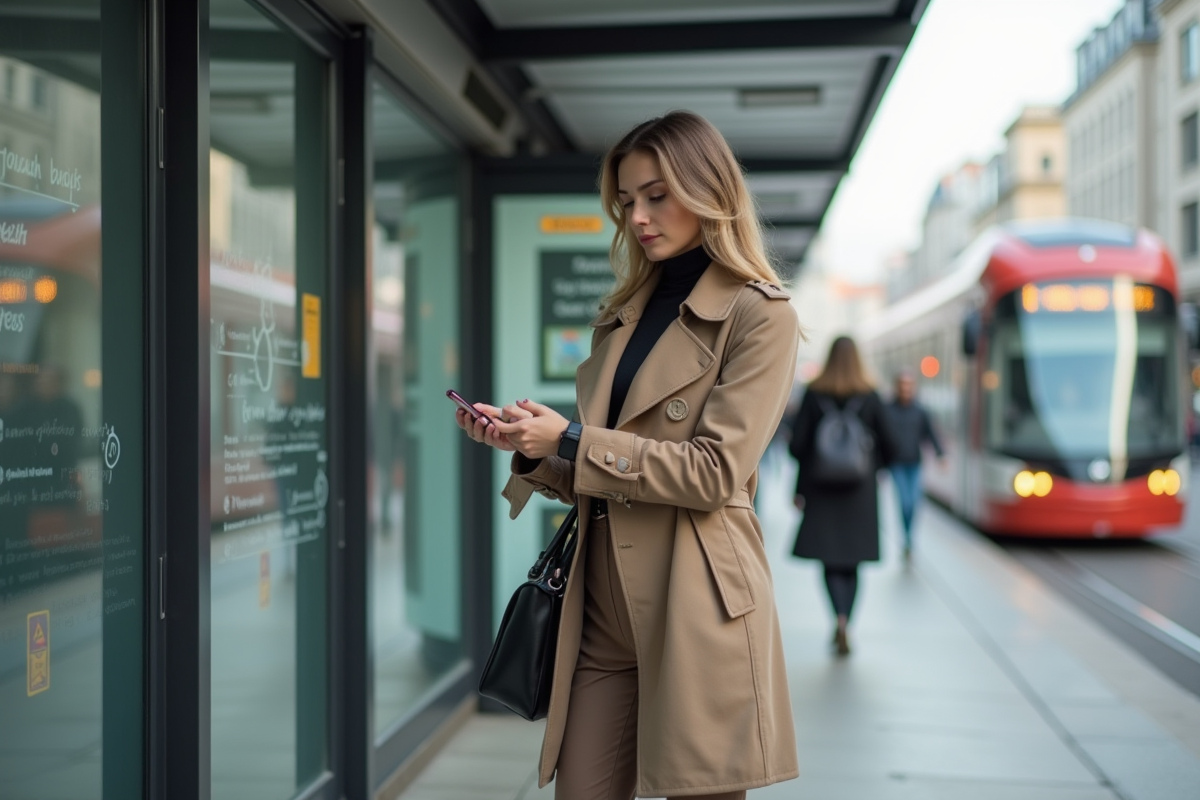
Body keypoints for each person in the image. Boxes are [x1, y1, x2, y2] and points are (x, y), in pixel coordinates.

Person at [455, 111, 800, 800]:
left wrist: (573, 440)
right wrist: (529, 451)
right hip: (601, 608)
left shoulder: (761, 315)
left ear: (709, 189)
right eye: (626, 201)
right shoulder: (624, 314)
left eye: (656, 194)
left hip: (698, 602)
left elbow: (712, 474)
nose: (638, 216)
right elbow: (606, 476)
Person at [788, 336, 894, 657]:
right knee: (852, 562)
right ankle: (848, 621)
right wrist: (875, 468)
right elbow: (891, 444)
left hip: (821, 491)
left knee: (830, 560)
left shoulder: (814, 393)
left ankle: (837, 617)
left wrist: (800, 490)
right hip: (859, 493)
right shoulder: (871, 396)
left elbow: (798, 447)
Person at [885, 370, 944, 560]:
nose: (906, 389)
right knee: (904, 502)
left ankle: (909, 539)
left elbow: (931, 434)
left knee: (914, 503)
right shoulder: (888, 410)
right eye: (903, 385)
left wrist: (940, 454)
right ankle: (907, 538)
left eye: (909, 386)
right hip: (897, 465)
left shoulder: (920, 411)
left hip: (915, 464)